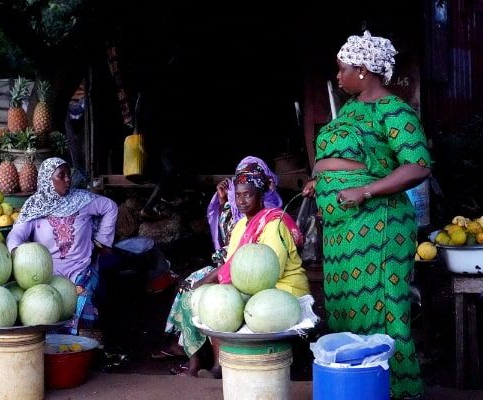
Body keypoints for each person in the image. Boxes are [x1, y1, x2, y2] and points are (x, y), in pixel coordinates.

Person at [301, 31, 431, 400]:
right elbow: (342, 157)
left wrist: (365, 190)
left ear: (363, 70)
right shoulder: (352, 110)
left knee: (385, 310)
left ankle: (399, 391)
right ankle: (357, 389)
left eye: (343, 70)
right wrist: (319, 179)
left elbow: (418, 167)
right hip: (343, 230)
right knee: (345, 310)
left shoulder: (395, 111)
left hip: (380, 225)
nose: (338, 77)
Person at [164, 161, 310, 378]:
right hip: (253, 285)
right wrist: (213, 284)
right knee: (215, 300)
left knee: (224, 296)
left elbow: (269, 271)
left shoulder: (275, 223)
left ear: (260, 196)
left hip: (281, 289)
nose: (241, 201)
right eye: (238, 195)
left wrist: (212, 281)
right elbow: (233, 261)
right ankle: (218, 365)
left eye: (248, 195)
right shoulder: (241, 225)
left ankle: (223, 367)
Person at [6, 157, 119, 340]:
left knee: (82, 298)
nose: (67, 180)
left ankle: (83, 347)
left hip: (80, 270)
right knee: (45, 306)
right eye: (61, 175)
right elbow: (16, 235)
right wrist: (18, 253)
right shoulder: (35, 206)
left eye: (69, 175)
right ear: (46, 180)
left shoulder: (82, 200)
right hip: (47, 274)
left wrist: (101, 243)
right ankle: (53, 348)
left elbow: (110, 207)